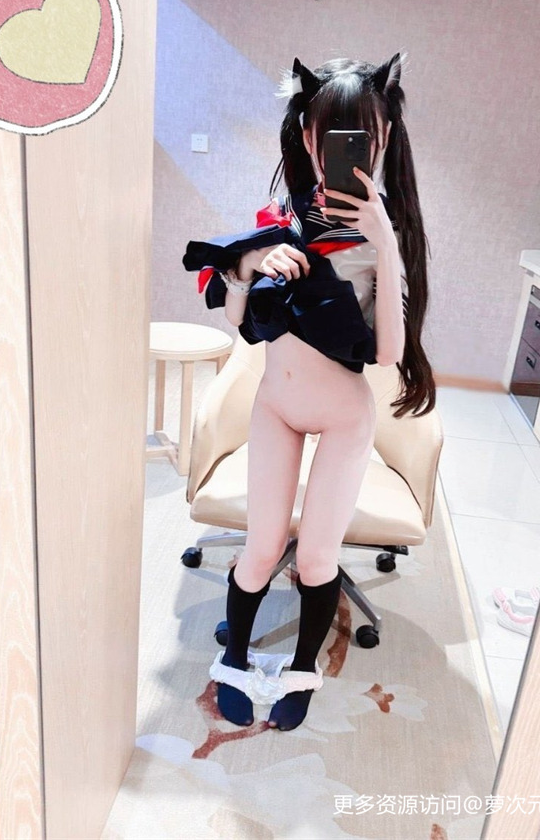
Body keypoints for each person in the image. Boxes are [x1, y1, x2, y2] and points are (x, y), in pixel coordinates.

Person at [182, 52, 435, 731]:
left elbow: (388, 353)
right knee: (262, 548)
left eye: (362, 135)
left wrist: (385, 244)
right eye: (331, 136)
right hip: (276, 406)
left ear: (384, 137)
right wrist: (248, 267)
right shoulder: (279, 218)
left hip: (345, 414)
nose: (344, 150)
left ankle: (301, 669)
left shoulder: (385, 237)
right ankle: (234, 656)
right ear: (306, 135)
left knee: (319, 556)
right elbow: (242, 326)